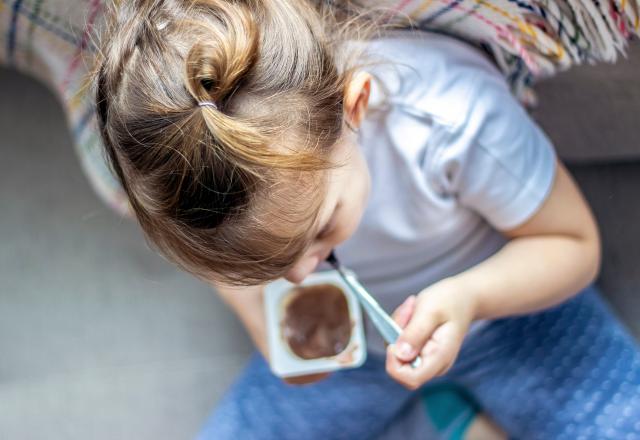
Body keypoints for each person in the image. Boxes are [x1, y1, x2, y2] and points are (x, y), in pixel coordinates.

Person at [5, 1, 640, 438]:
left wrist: (470, 298)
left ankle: (444, 414)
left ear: (356, 106)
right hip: (351, 353)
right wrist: (261, 322)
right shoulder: (212, 199)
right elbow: (234, 277)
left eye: (318, 231)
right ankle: (444, 416)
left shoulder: (452, 120)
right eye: (268, 259)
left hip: (512, 313)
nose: (305, 271)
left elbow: (574, 242)